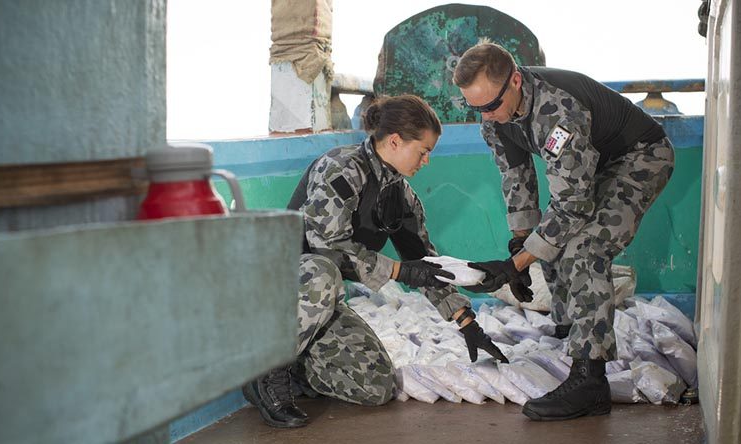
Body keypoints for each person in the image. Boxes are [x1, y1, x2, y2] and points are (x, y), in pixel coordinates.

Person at [242, 95, 508, 428]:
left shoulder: (400, 194)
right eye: (423, 151)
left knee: (376, 385)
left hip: (316, 306)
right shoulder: (340, 168)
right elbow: (327, 246)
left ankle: (293, 366)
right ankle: (267, 371)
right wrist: (397, 270)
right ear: (395, 141)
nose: (427, 162)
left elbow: (425, 264)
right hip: (280, 288)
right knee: (323, 273)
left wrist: (467, 322)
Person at [454, 42, 674, 421]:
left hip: (641, 157)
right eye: (475, 108)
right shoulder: (495, 114)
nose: (486, 117)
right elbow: (515, 175)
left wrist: (516, 264)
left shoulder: (556, 110)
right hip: (597, 167)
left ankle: (590, 379)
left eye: (490, 106)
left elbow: (572, 204)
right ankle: (571, 326)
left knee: (585, 247)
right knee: (550, 238)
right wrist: (520, 247)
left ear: (516, 82)